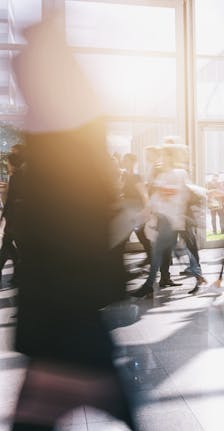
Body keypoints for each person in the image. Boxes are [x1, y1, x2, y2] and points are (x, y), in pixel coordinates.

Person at [10, 16, 137, 430]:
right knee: (104, 395)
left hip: (63, 318)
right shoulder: (71, 147)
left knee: (52, 405)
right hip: (68, 317)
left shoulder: (58, 159)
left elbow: (66, 233)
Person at [130, 144, 206, 298]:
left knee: (165, 251)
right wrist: (144, 214)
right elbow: (155, 199)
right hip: (166, 221)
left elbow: (181, 194)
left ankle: (149, 285)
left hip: (173, 220)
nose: (161, 159)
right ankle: (196, 277)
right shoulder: (161, 176)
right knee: (166, 252)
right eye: (161, 156)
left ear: (171, 158)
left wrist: (164, 194)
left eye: (164, 156)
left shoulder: (179, 173)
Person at [0, 146, 25, 285]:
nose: (7, 166)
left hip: (15, 216)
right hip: (15, 216)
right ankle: (18, 269)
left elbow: (12, 198)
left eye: (8, 164)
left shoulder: (16, 178)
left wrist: (5, 214)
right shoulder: (18, 177)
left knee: (8, 243)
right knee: (9, 244)